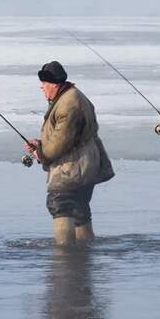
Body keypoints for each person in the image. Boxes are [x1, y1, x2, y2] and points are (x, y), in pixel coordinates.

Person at [26, 61, 114, 246]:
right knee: (79, 208)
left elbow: (59, 144)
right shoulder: (73, 96)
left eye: (44, 83)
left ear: (54, 84)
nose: (41, 87)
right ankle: (84, 252)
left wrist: (41, 153)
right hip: (86, 164)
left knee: (60, 204)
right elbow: (65, 136)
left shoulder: (68, 104)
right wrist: (40, 145)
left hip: (73, 167)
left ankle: (64, 254)